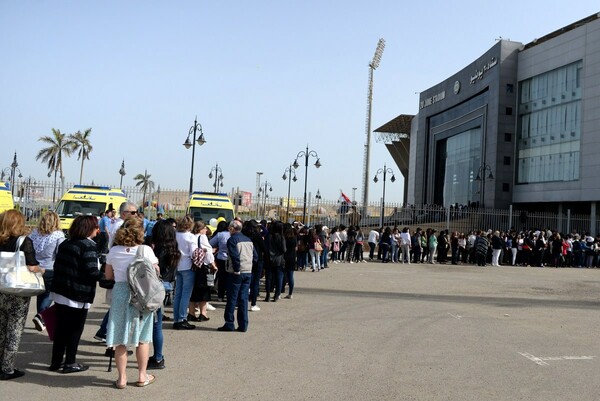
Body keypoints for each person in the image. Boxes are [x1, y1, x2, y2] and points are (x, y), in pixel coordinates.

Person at [104, 217, 158, 388]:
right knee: (143, 338)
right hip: (142, 295)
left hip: (121, 293)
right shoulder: (146, 250)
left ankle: (122, 378)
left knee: (120, 338)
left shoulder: (113, 251)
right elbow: (155, 272)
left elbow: (108, 276)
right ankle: (142, 375)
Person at [50, 215, 103, 374]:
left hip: (60, 291)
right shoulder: (88, 245)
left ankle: (56, 362)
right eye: (96, 227)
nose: (97, 230)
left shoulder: (66, 242)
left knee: (60, 329)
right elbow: (92, 271)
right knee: (74, 330)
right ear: (89, 228)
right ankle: (70, 362)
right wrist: (109, 277)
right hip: (77, 294)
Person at [0, 210, 42, 380]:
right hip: (17, 290)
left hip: (0, 288)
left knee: (1, 328)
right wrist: (42, 270)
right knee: (14, 330)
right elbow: (32, 266)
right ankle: (7, 367)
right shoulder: (24, 242)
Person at [148, 219, 181, 370]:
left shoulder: (158, 250)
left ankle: (158, 357)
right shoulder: (174, 247)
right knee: (157, 324)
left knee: (155, 325)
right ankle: (157, 356)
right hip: (167, 284)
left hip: (156, 286)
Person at [29, 210, 65, 331]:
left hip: (35, 268)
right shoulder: (58, 236)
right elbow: (60, 254)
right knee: (49, 294)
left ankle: (40, 318)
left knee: (41, 293)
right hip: (50, 268)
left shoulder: (34, 233)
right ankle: (41, 316)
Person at [217, 220, 256, 332]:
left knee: (232, 298)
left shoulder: (232, 240)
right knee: (243, 299)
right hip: (247, 271)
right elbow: (255, 256)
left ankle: (229, 323)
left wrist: (237, 269)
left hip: (236, 272)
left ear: (232, 229)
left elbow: (234, 256)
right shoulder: (248, 240)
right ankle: (243, 325)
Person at [188, 221, 217, 322]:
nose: (206, 230)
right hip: (202, 266)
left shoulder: (191, 236)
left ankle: (191, 313)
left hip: (193, 266)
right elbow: (208, 252)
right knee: (204, 290)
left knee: (193, 290)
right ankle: (203, 313)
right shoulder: (202, 237)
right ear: (201, 229)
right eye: (205, 228)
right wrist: (213, 264)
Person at [172, 215, 198, 330]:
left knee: (178, 293)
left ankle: (176, 318)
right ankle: (182, 318)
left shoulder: (175, 235)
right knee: (186, 294)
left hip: (177, 265)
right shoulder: (190, 237)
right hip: (187, 265)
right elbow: (194, 253)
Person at [209, 220, 231, 302]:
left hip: (221, 257)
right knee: (230, 278)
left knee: (222, 278)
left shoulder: (220, 234)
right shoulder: (233, 235)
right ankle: (229, 295)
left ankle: (220, 296)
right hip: (230, 259)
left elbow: (210, 243)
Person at [267, 221, 286, 301]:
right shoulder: (281, 237)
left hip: (269, 259)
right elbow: (284, 249)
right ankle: (276, 295)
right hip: (278, 259)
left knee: (269, 278)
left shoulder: (269, 236)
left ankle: (268, 294)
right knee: (279, 277)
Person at [283, 223, 297, 299]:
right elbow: (295, 248)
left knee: (283, 275)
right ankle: (290, 293)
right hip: (292, 257)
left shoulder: (284, 238)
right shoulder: (294, 238)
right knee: (291, 276)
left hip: (285, 257)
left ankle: (279, 291)